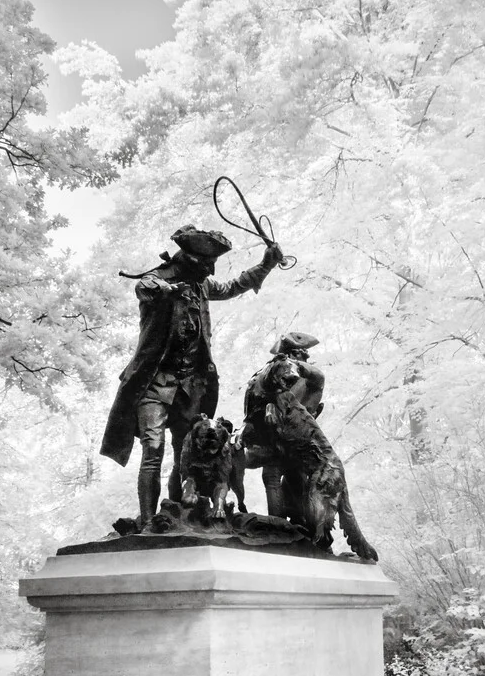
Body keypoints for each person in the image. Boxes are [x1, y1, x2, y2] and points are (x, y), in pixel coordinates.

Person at [100, 224, 282, 527]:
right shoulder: (157, 280)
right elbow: (145, 288)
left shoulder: (201, 286)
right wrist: (168, 291)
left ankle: (176, 516)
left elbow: (233, 286)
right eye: (205, 264)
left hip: (190, 387)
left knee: (185, 453)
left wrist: (266, 264)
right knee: (152, 451)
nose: (210, 271)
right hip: (154, 384)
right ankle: (148, 523)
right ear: (187, 259)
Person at [238, 331, 325, 516]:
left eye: (300, 356)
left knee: (281, 477)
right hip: (277, 438)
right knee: (277, 477)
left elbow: (316, 382)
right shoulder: (275, 376)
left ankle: (289, 526)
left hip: (294, 438)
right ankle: (282, 525)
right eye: (299, 354)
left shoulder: (306, 378)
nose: (302, 358)